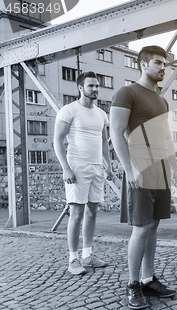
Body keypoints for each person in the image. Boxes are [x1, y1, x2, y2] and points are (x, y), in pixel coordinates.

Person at [110, 45, 177, 309]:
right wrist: (129, 169)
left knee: (154, 226)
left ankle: (148, 279)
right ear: (143, 64)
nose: (163, 67)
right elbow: (116, 133)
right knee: (140, 228)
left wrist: (175, 169)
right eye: (158, 63)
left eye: (165, 64)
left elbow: (166, 137)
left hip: (160, 167)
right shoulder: (127, 93)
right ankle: (132, 285)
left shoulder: (162, 100)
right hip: (140, 166)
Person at [54, 71, 114, 275]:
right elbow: (58, 141)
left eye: (97, 86)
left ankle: (88, 255)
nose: (95, 89)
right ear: (80, 88)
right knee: (76, 213)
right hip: (77, 167)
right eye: (91, 86)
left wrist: (109, 165)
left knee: (92, 212)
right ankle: (73, 259)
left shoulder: (101, 114)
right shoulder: (69, 111)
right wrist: (66, 168)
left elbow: (104, 143)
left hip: (97, 167)